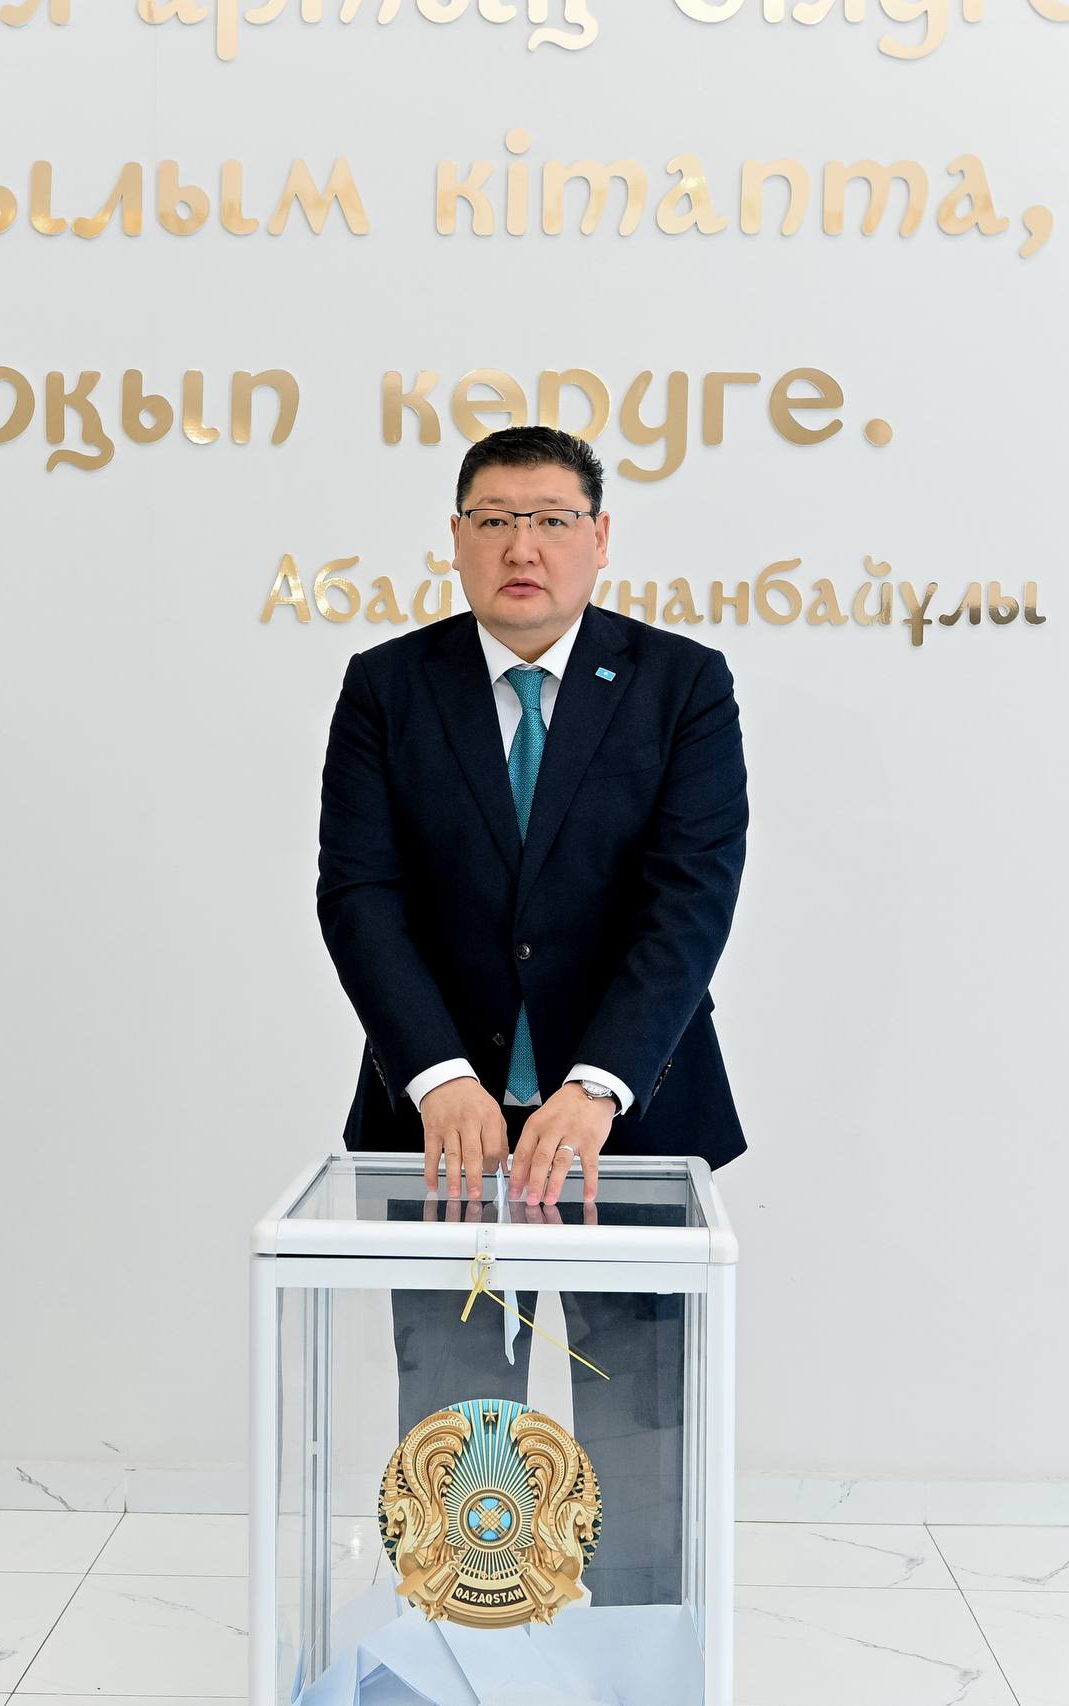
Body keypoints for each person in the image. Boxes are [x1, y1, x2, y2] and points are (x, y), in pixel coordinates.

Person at [315, 424, 749, 1609]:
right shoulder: (387, 686)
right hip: (441, 1136)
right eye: (495, 519)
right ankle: (465, 1647)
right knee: (458, 1427)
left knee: (639, 1431)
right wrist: (438, 1072)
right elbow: (358, 894)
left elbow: (690, 899)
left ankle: (632, 1659)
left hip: (631, 1127)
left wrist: (597, 1080)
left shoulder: (679, 683)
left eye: (552, 519)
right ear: (455, 538)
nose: (523, 546)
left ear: (598, 538)